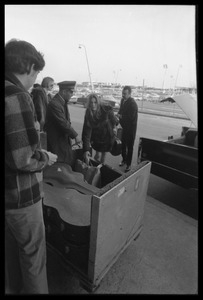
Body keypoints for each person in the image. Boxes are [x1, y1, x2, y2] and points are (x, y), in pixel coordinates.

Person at [5, 39, 58, 294]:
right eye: (36, 71)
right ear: (27, 66)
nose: (35, 78)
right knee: (34, 260)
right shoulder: (16, 95)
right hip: (21, 198)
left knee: (12, 259)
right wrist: (46, 158)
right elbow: (23, 159)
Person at [45, 81, 81, 165]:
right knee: (60, 164)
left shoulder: (62, 101)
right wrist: (75, 135)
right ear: (64, 91)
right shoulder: (55, 104)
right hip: (57, 142)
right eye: (71, 92)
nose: (72, 94)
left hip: (62, 141)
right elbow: (63, 122)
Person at [82, 93, 118, 164]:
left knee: (103, 156)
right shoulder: (88, 113)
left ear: (98, 102)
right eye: (91, 102)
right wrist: (86, 149)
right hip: (97, 137)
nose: (93, 104)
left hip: (107, 136)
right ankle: (97, 166)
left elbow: (113, 120)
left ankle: (101, 169)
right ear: (89, 103)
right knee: (97, 155)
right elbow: (86, 132)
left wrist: (114, 127)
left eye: (95, 102)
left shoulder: (105, 109)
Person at [117, 86, 138, 172]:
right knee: (122, 145)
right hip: (123, 127)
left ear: (130, 94)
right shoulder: (123, 100)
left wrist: (121, 116)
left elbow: (131, 117)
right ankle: (124, 159)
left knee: (130, 147)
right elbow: (120, 110)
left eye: (125, 94)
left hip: (131, 129)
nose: (123, 95)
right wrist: (117, 115)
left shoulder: (133, 104)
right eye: (122, 93)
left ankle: (128, 164)